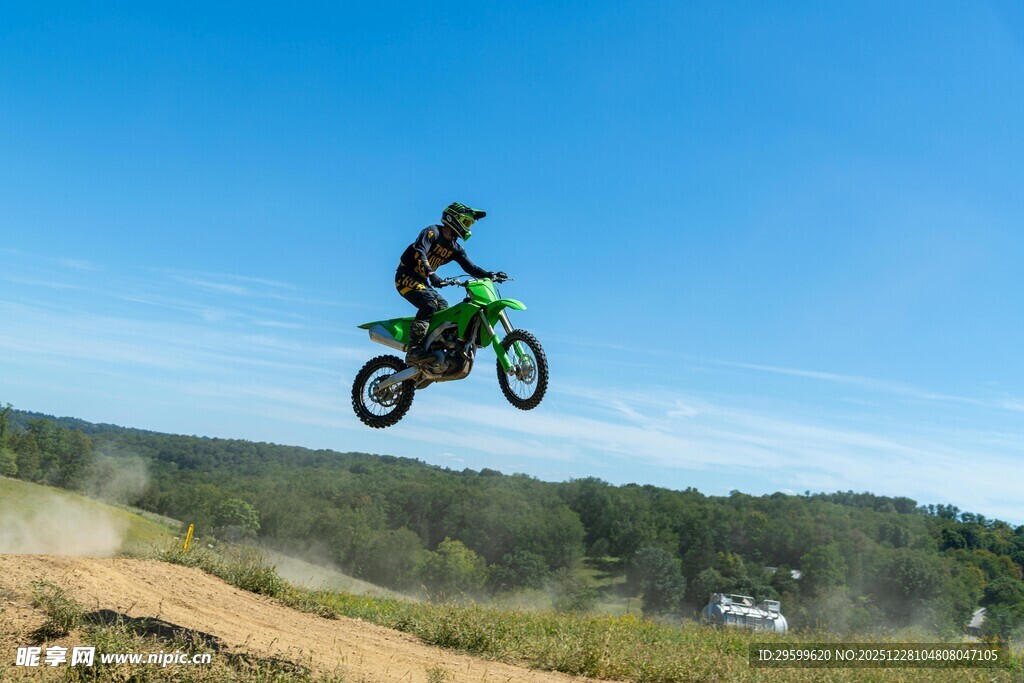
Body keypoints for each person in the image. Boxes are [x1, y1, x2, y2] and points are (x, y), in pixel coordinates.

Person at [395, 202, 503, 365]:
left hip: (422, 281)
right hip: (406, 275)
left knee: (444, 308)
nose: (468, 228)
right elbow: (420, 250)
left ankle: (433, 349)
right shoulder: (433, 232)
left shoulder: (455, 248)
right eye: (466, 222)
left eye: (470, 224)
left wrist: (491, 274)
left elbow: (471, 267)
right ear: (453, 218)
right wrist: (431, 273)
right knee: (430, 303)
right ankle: (414, 350)